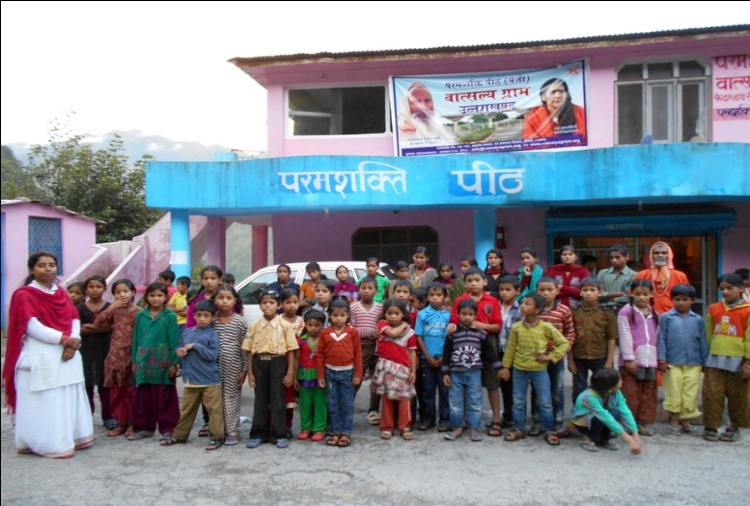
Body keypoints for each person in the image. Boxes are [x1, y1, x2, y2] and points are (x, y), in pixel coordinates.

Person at [3, 252, 94, 458]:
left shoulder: (60, 292)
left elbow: (74, 319)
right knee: (46, 400)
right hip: (41, 353)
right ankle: (47, 443)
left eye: (52, 265)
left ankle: (74, 436)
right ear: (31, 269)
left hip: (68, 355)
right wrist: (64, 340)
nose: (48, 269)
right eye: (42, 265)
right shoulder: (24, 295)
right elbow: (30, 325)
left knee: (68, 395)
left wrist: (74, 342)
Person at [501, 293, 569, 446]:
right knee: (518, 401)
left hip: (539, 371)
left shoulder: (546, 327)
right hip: (519, 370)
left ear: (538, 309)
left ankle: (549, 430)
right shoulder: (517, 327)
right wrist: (506, 368)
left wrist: (549, 357)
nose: (523, 306)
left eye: (527, 304)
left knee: (545, 401)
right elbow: (510, 349)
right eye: (522, 303)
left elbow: (563, 343)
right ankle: (518, 428)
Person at [448, 267, 503, 437]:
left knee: (492, 383)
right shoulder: (460, 300)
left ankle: (496, 419)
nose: (473, 284)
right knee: (466, 384)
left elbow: (497, 326)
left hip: (487, 344)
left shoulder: (492, 300)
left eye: (477, 280)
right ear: (464, 283)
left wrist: (482, 326)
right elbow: (453, 323)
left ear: (484, 281)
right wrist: (451, 327)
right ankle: (465, 421)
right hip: (463, 344)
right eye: (469, 281)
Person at [163, 300, 224, 450]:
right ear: (194, 316)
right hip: (191, 379)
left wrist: (195, 346)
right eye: (199, 315)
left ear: (213, 318)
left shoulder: (212, 335)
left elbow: (212, 355)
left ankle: (217, 437)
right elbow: (179, 346)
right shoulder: (187, 332)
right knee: (187, 410)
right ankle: (179, 436)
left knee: (214, 411)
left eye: (206, 315)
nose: (202, 318)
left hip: (209, 380)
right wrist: (180, 351)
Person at [244, 289, 298, 449]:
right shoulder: (254, 326)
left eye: (271, 302)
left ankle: (279, 433)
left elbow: (292, 350)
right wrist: (251, 373)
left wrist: (289, 373)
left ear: (279, 305)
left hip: (278, 362)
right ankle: (258, 433)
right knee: (260, 400)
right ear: (260, 306)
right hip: (259, 363)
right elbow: (249, 351)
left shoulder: (286, 326)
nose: (268, 306)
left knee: (278, 399)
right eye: (264, 303)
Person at [128, 282, 180, 442]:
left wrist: (174, 362)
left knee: (164, 395)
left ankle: (168, 428)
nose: (156, 299)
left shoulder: (169, 316)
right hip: (143, 360)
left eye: (159, 295)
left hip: (163, 360)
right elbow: (136, 338)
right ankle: (144, 428)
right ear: (146, 297)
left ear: (165, 297)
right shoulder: (140, 315)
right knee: (143, 395)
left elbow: (174, 340)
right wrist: (134, 360)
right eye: (152, 295)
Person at [702, 273, 750, 443]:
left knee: (739, 396)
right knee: (712, 394)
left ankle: (734, 427)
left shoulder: (748, 310)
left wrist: (748, 363)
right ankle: (711, 427)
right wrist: (708, 353)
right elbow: (708, 333)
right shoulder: (714, 308)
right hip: (715, 358)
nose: (725, 292)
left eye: (730, 288)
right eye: (722, 288)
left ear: (742, 288)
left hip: (739, 360)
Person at [442, 299, 499, 442]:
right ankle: (457, 427)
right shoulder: (452, 334)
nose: (467, 317)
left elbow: (489, 353)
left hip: (474, 373)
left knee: (475, 401)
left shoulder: (481, 334)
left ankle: (474, 428)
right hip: (456, 373)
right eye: (464, 314)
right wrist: (445, 373)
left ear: (475, 315)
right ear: (458, 314)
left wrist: (499, 367)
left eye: (470, 314)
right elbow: (447, 354)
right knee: (455, 402)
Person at [657, 284, 708, 436]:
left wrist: (704, 361)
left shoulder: (698, 319)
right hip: (672, 362)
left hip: (693, 362)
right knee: (674, 392)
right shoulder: (666, 317)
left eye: (685, 299)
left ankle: (686, 421)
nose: (681, 302)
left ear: (692, 301)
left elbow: (703, 341)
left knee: (690, 392)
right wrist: (662, 359)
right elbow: (661, 339)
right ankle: (674, 421)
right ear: (672, 300)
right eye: (677, 299)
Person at [96, 278, 140, 438]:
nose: (122, 295)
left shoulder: (139, 312)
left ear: (133, 293)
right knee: (116, 392)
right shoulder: (113, 311)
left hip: (132, 356)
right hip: (115, 357)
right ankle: (120, 422)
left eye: (125, 291)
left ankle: (133, 423)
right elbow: (98, 324)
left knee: (131, 392)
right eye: (117, 292)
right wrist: (111, 308)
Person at [531, 276, 576, 432]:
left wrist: (564, 350)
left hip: (556, 358)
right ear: (536, 291)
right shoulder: (534, 310)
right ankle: (537, 421)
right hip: (537, 359)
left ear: (557, 291)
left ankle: (557, 421)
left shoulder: (564, 310)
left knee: (557, 390)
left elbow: (570, 333)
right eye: (542, 290)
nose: (545, 293)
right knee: (537, 391)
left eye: (550, 290)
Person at [317, 299, 362, 448]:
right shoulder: (325, 333)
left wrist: (357, 374)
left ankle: (346, 432)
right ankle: (335, 431)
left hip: (347, 374)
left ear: (348, 315)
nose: (338, 318)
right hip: (330, 374)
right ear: (330, 316)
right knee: (333, 404)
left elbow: (358, 354)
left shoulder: (352, 332)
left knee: (347, 404)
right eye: (335, 315)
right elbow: (320, 356)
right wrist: (321, 375)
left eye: (342, 315)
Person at [371, 298, 418, 441]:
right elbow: (392, 333)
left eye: (396, 313)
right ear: (384, 314)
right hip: (386, 368)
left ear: (402, 314)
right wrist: (404, 324)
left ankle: (405, 426)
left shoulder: (410, 333)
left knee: (404, 399)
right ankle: (387, 426)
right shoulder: (382, 325)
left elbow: (412, 352)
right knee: (387, 398)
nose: (392, 316)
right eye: (389, 313)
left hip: (403, 369)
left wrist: (413, 371)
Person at [617, 279, 659, 437]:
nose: (641, 297)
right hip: (632, 360)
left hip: (650, 359)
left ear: (651, 295)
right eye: (637, 294)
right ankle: (629, 423)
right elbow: (624, 335)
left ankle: (644, 423)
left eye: (645, 294)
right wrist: (629, 358)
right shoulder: (626, 312)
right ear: (631, 293)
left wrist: (659, 359)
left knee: (648, 392)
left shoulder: (655, 313)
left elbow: (657, 336)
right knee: (631, 393)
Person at [567, 368, 642, 454]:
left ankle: (604, 439)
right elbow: (605, 417)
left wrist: (635, 433)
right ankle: (587, 438)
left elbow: (625, 411)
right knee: (602, 417)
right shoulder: (589, 397)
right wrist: (628, 439)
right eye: (619, 380)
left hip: (600, 418)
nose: (622, 381)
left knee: (615, 413)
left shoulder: (616, 392)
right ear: (609, 388)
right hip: (584, 423)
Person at [570, 278, 617, 404]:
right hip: (579, 357)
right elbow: (569, 337)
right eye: (585, 290)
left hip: (600, 357)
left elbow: (611, 338)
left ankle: (601, 418)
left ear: (600, 293)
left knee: (602, 389)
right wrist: (570, 360)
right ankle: (579, 418)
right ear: (580, 292)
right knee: (579, 389)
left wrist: (609, 361)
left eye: (592, 290)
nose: (588, 293)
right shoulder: (574, 312)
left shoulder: (607, 313)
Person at [212, 283, 248, 446]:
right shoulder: (211, 321)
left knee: (231, 396)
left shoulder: (240, 322)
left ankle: (232, 430)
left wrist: (244, 369)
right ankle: (218, 431)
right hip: (212, 366)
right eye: (221, 298)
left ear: (234, 301)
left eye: (228, 298)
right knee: (215, 397)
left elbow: (244, 347)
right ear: (215, 300)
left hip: (233, 365)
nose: (224, 301)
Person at [77, 275, 114, 429]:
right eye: (91, 287)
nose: (94, 290)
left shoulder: (110, 307)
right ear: (86, 289)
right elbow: (77, 329)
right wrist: (99, 328)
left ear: (104, 289)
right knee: (87, 385)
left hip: (105, 349)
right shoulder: (79, 308)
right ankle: (87, 417)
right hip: (85, 350)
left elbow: (111, 327)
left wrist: (90, 327)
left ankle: (108, 416)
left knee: (105, 384)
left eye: (98, 286)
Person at [415, 283, 451, 432]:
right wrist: (427, 356)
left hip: (444, 359)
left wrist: (444, 357)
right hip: (426, 359)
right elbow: (419, 336)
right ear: (427, 297)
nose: (435, 298)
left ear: (445, 297)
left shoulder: (449, 315)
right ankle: (428, 418)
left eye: (439, 295)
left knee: (444, 391)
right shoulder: (422, 314)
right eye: (432, 295)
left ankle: (445, 419)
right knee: (427, 390)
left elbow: (451, 338)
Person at [350, 276, 384, 425]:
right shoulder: (353, 307)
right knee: (356, 379)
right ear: (359, 290)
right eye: (363, 288)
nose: (366, 291)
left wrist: (378, 333)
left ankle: (373, 410)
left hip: (377, 348)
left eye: (370, 288)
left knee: (377, 379)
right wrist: (368, 332)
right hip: (359, 348)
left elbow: (383, 325)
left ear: (376, 291)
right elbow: (350, 328)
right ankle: (346, 407)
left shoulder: (381, 307)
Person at [295, 310, 328, 442]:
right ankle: (306, 428)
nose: (313, 328)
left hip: (320, 376)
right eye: (310, 325)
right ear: (305, 325)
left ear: (322, 325)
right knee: (305, 404)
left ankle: (319, 429)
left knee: (320, 403)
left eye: (317, 325)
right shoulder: (301, 341)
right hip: (304, 376)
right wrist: (294, 377)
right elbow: (296, 359)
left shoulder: (325, 340)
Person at [634, 241, 689, 314]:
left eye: (664, 253)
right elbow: (634, 296)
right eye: (656, 253)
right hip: (648, 317)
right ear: (651, 256)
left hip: (673, 317)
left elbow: (686, 299)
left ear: (669, 255)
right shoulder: (641, 275)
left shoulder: (680, 276)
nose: (660, 255)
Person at [497, 275, 522, 429]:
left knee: (516, 387)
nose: (504, 293)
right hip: (498, 351)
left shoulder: (521, 310)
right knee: (504, 385)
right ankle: (507, 416)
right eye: (501, 290)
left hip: (514, 353)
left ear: (517, 291)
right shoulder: (494, 306)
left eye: (508, 290)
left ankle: (517, 418)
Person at [280, 288, 304, 434]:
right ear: (281, 304)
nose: (292, 305)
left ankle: (288, 426)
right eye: (288, 302)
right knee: (281, 393)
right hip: (281, 360)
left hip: (298, 359)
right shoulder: (278, 321)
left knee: (293, 394)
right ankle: (279, 425)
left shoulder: (302, 321)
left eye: (295, 302)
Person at [546, 245, 590, 309]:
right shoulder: (553, 269)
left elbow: (583, 292)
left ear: (576, 257)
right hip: (555, 307)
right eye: (564, 254)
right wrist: (573, 292)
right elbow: (549, 291)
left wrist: (562, 287)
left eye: (570, 254)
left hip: (577, 308)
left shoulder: (582, 271)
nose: (567, 256)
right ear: (561, 256)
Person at [597, 244, 637, 312]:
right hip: (602, 310)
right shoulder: (602, 273)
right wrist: (612, 295)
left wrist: (608, 297)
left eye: (617, 257)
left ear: (627, 257)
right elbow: (597, 294)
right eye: (611, 258)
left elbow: (630, 297)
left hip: (623, 311)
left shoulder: (633, 275)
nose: (614, 260)